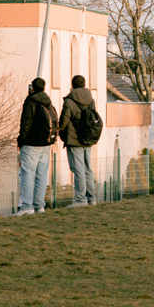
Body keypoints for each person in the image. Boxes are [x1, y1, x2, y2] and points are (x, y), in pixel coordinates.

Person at [15, 77, 56, 215]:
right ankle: (40, 206)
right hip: (46, 144)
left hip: (31, 144)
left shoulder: (30, 101)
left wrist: (21, 141)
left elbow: (25, 123)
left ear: (32, 87)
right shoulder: (48, 101)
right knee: (42, 175)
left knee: (27, 175)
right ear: (44, 88)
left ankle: (27, 206)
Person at [59, 74, 97, 207]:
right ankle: (91, 198)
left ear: (73, 85)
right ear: (84, 84)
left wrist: (60, 131)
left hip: (74, 139)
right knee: (88, 169)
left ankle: (80, 199)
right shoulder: (91, 100)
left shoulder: (69, 101)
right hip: (88, 138)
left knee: (78, 169)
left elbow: (64, 120)